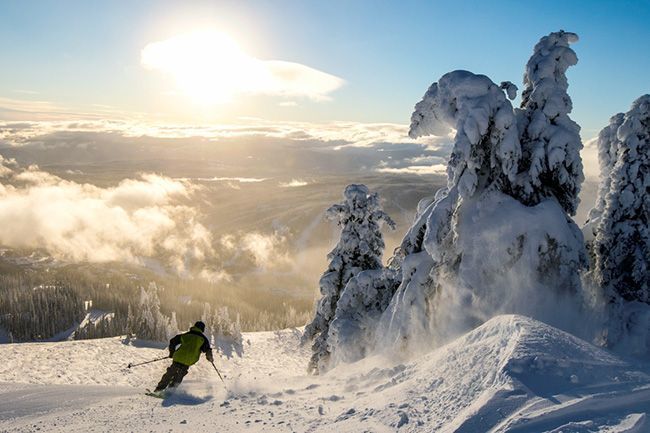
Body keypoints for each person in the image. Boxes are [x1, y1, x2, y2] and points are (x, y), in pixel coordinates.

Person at [154, 321, 214, 392]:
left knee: (170, 373)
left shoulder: (185, 335)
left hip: (178, 358)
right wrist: (210, 358)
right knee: (179, 376)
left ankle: (159, 389)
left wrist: (172, 353)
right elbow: (207, 350)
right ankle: (170, 391)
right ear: (202, 329)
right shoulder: (203, 339)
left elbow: (173, 341)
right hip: (189, 361)